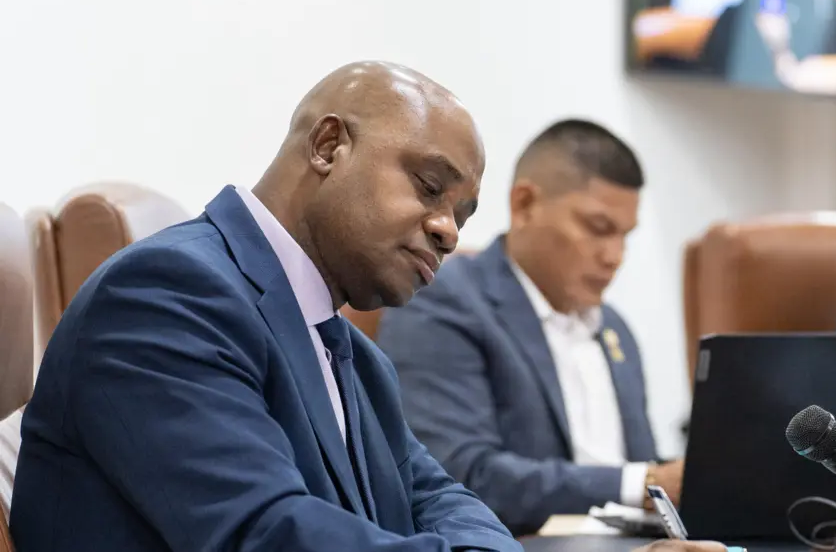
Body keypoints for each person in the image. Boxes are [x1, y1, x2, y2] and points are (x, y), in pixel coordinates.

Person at [10, 62, 521, 552]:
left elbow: (446, 502)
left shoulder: (358, 358)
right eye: (429, 187)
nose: (448, 233)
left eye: (461, 217)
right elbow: (269, 535)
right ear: (327, 146)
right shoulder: (162, 297)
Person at [376, 119, 678, 536]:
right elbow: (460, 474)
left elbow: (640, 464)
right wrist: (642, 483)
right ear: (525, 204)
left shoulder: (614, 329)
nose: (615, 256)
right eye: (598, 229)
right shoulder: (445, 301)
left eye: (625, 236)